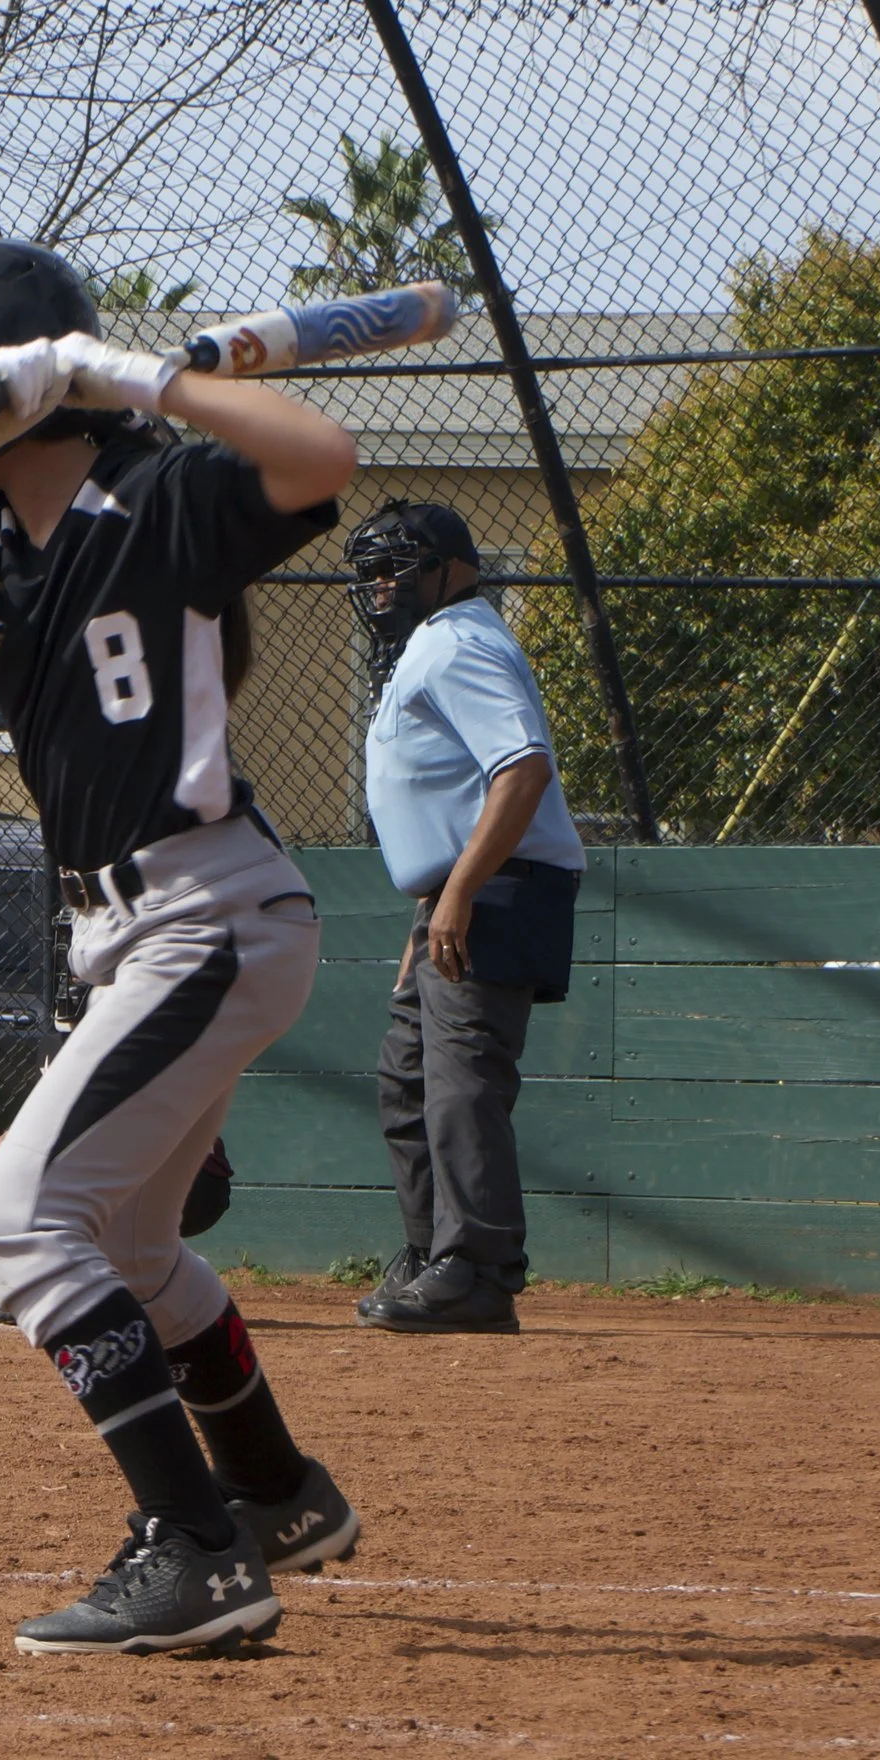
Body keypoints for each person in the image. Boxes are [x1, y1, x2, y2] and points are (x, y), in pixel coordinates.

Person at [0, 234, 360, 1657]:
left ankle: (196, 1551)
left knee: (15, 1229)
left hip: (207, 909)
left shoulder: (165, 497)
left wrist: (139, 376)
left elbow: (322, 452)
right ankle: (274, 1495)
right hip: (128, 934)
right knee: (127, 1238)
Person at [343, 501, 586, 1335]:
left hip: (494, 890)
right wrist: (433, 907)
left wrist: (457, 894)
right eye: (370, 572)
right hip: (458, 897)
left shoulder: (459, 640)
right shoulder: (433, 644)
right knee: (408, 1081)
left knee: (460, 1088)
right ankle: (432, 1255)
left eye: (398, 567)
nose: (381, 587)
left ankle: (479, 1269)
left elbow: (520, 771)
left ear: (450, 567)